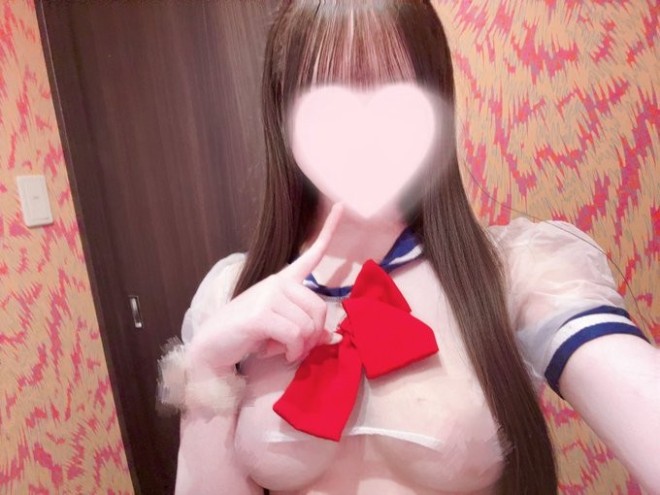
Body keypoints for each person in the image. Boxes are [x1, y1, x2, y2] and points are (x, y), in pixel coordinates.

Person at [158, 1, 660, 494]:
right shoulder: (230, 294)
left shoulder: (517, 271)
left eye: (395, 90)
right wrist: (207, 366)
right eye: (325, 94)